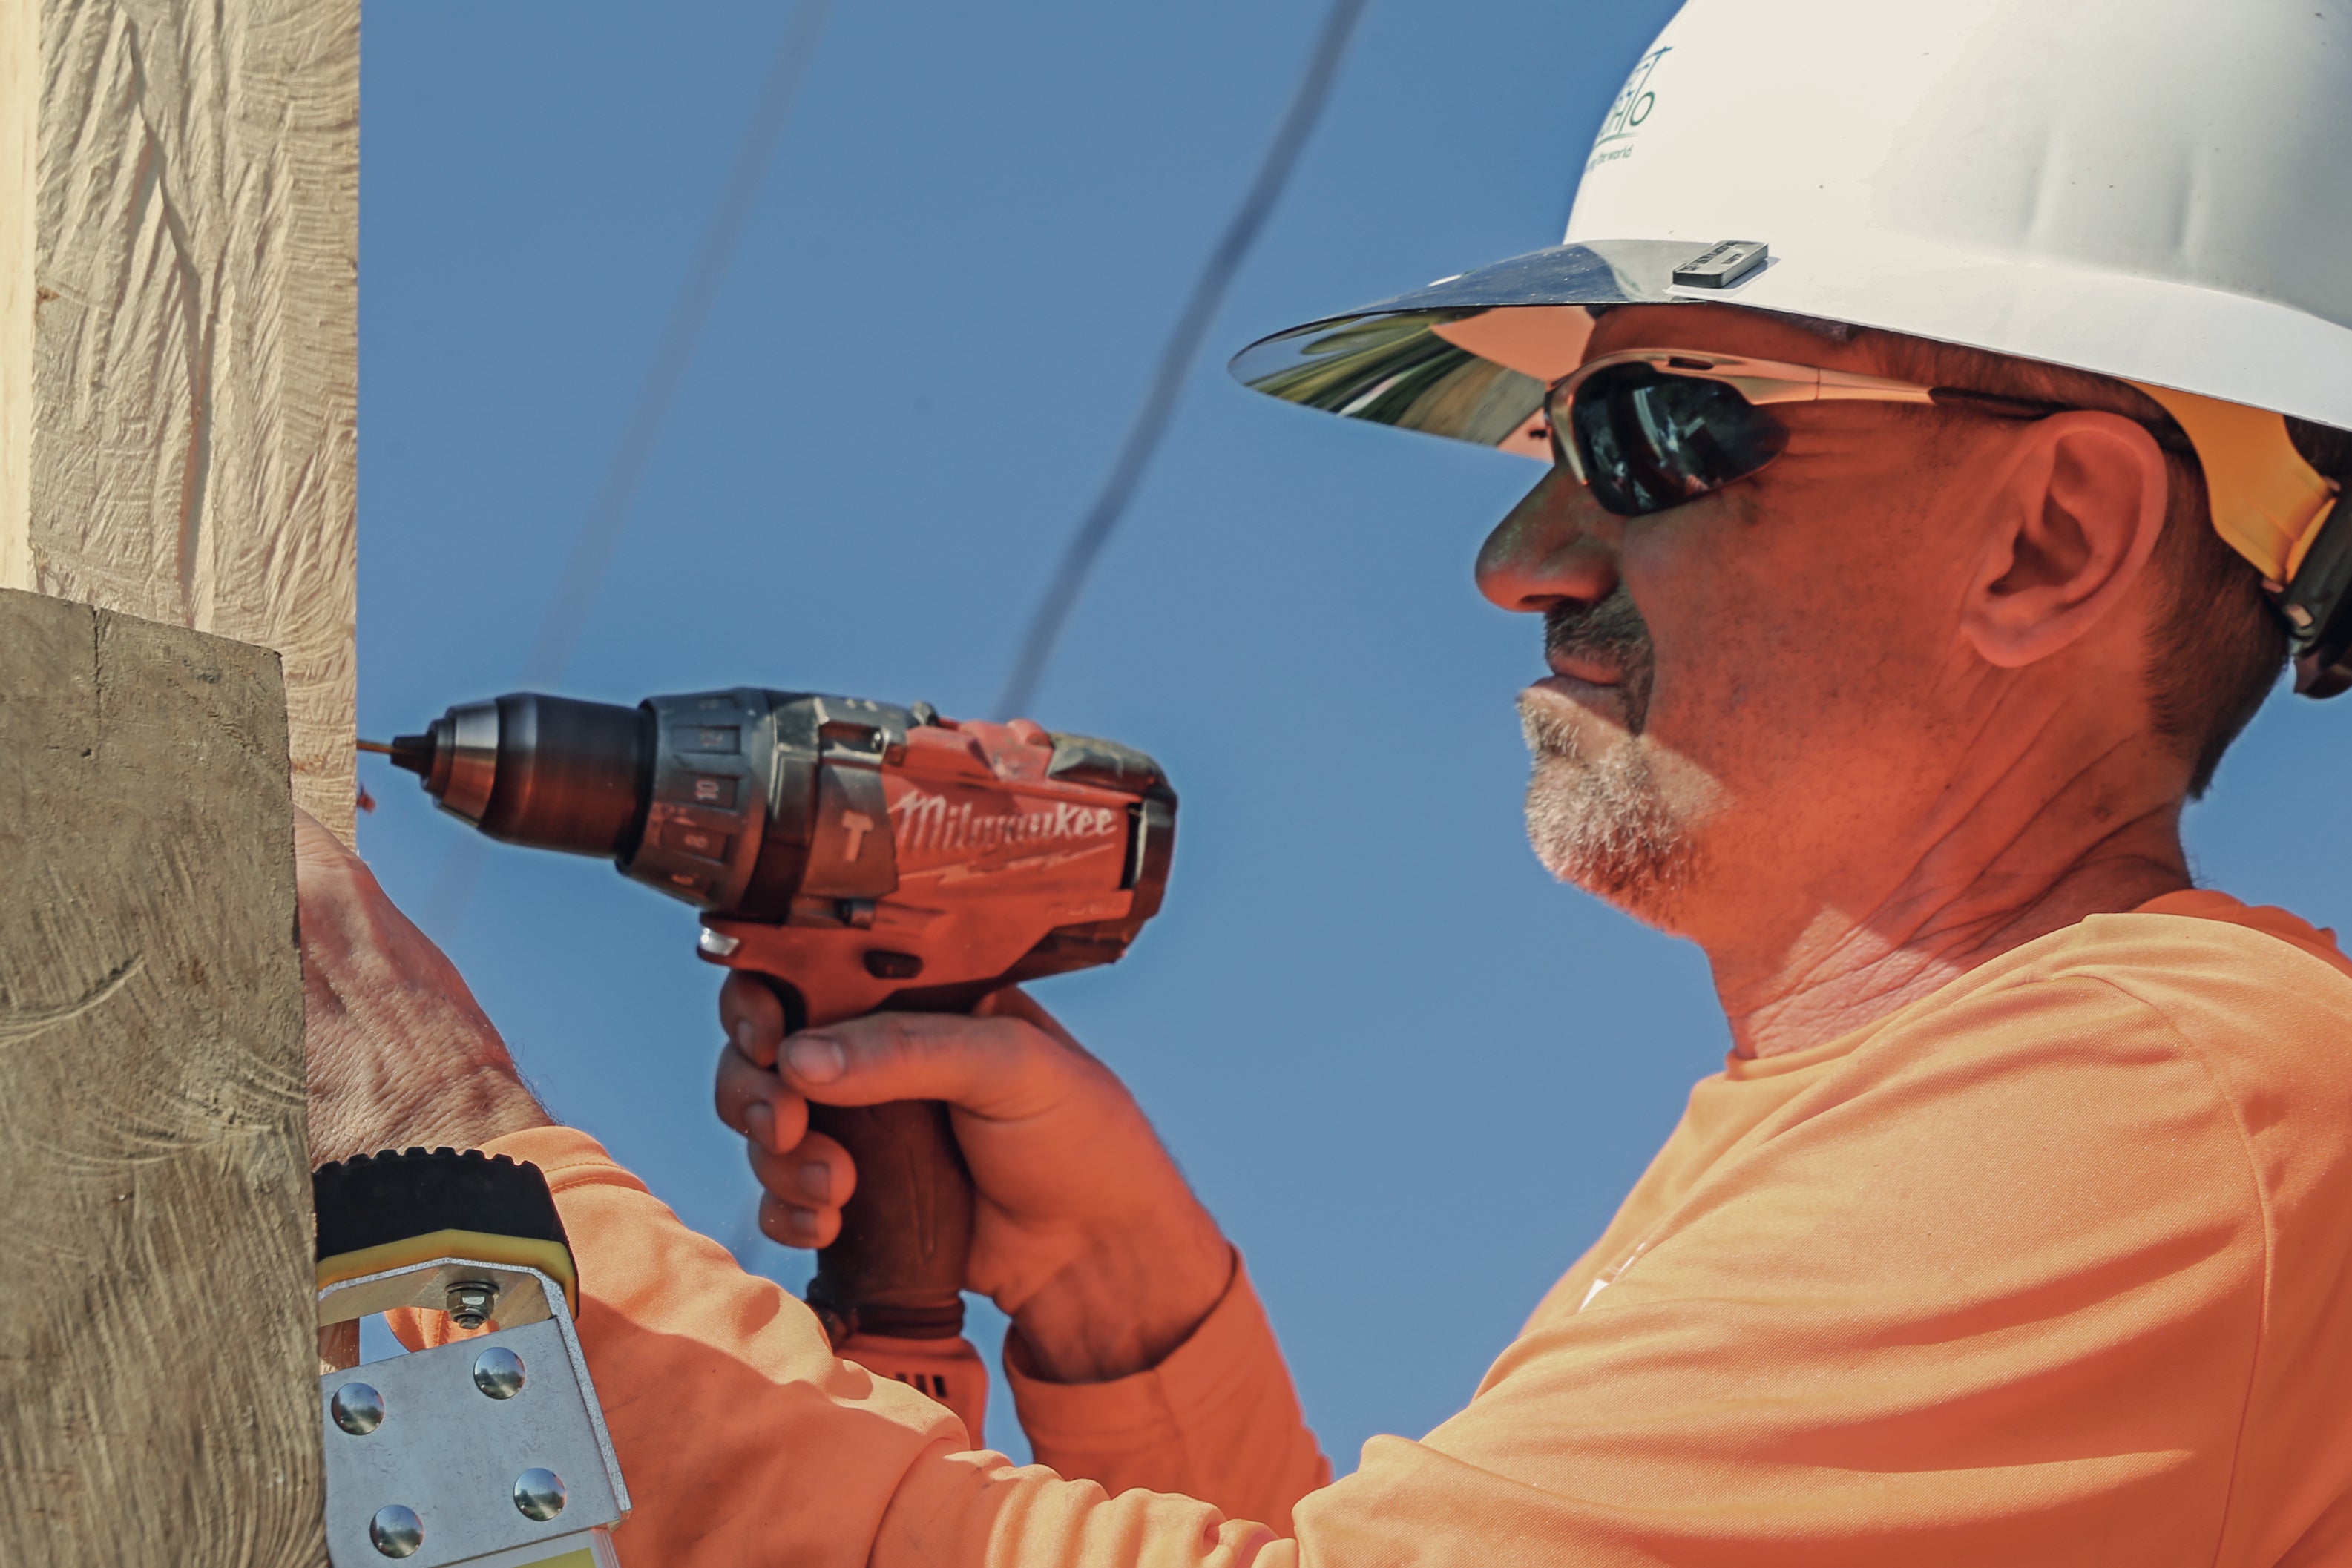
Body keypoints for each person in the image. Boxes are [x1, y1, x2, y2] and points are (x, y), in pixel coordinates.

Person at [303, 3, 2352, 1562]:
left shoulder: (2171, 1109)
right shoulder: (1896, 1131)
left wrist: (453, 1192)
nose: (1520, 562)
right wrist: (1126, 1318)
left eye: (1644, 433)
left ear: (2047, 543)